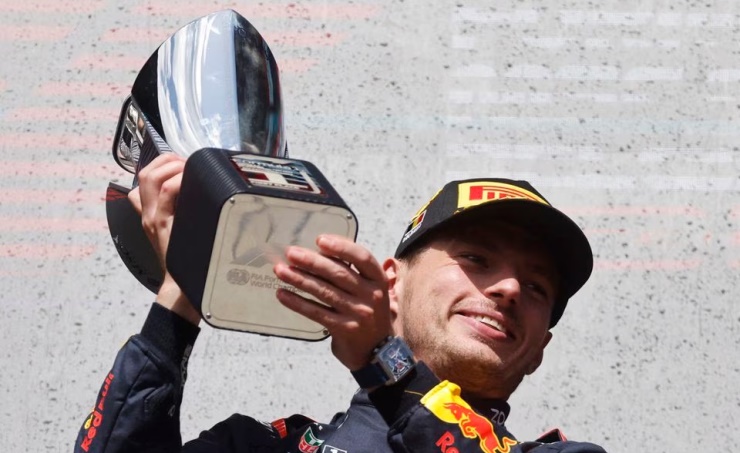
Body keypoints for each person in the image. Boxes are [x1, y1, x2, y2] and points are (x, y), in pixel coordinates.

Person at [75, 153, 606, 452]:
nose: (509, 288)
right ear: (392, 286)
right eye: (476, 258)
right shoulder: (267, 447)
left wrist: (384, 362)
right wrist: (185, 285)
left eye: (536, 287)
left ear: (539, 349)